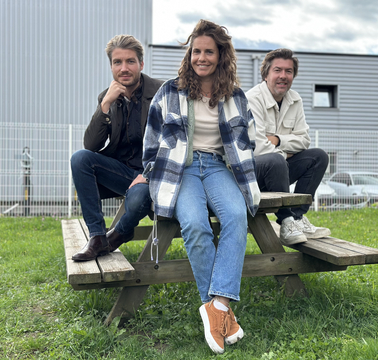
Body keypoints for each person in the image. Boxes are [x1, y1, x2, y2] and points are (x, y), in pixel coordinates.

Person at [142, 19, 260, 354]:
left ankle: (217, 306)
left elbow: (247, 140)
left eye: (209, 51)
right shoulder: (170, 91)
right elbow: (151, 140)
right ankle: (223, 316)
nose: (201, 57)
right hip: (182, 169)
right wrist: (152, 170)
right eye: (196, 51)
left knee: (237, 216)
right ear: (189, 54)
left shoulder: (235, 96)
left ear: (221, 55)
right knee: (195, 224)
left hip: (218, 167)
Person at [71, 35, 163, 261]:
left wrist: (148, 174)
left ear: (141, 64)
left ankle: (121, 231)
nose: (124, 68)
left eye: (130, 61)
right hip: (121, 172)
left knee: (139, 197)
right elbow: (91, 145)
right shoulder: (108, 96)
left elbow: (174, 142)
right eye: (117, 62)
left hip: (151, 175)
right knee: (80, 158)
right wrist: (105, 105)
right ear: (111, 66)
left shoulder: (162, 92)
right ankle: (97, 236)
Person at [246, 48, 330, 245]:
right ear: (266, 74)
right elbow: (258, 149)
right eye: (277, 70)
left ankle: (297, 218)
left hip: (278, 170)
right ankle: (286, 221)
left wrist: (277, 140)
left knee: (318, 156)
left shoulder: (295, 99)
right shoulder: (252, 99)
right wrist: (285, 152)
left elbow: (304, 140)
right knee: (275, 160)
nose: (283, 76)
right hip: (251, 175)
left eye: (288, 71)